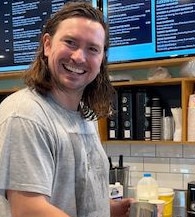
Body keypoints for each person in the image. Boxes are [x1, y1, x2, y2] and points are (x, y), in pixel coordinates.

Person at [0, 2, 132, 217]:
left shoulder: (84, 117)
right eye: (70, 42)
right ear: (47, 45)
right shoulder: (25, 114)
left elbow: (74, 193)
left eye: (93, 49)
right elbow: (28, 210)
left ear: (101, 59)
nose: (79, 57)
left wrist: (108, 209)